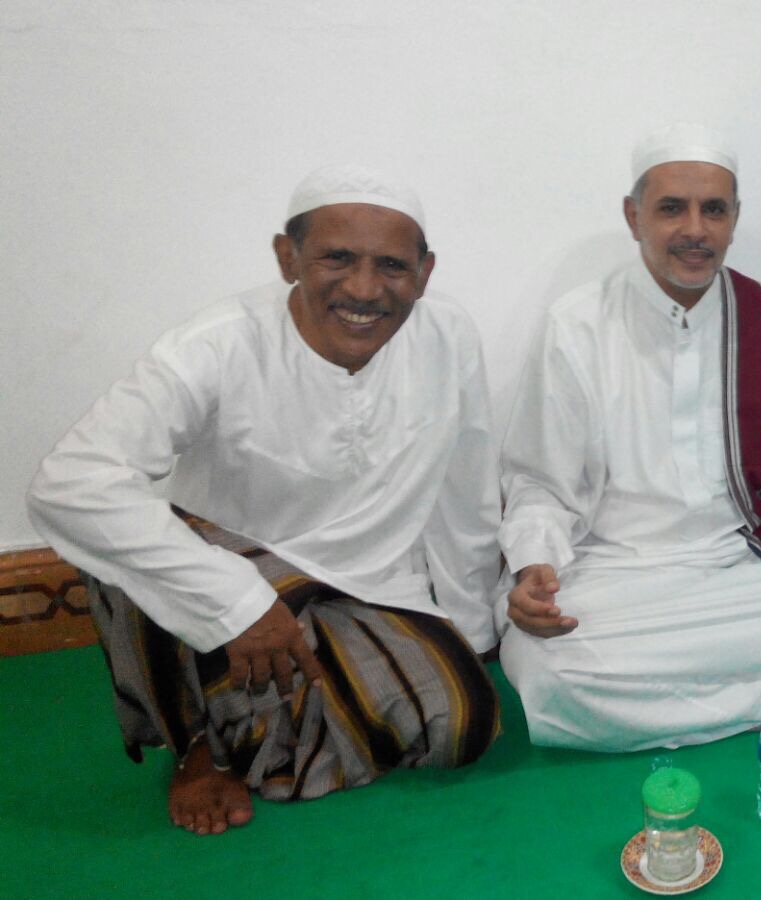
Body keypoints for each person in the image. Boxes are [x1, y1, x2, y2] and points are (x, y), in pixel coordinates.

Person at [26, 164, 502, 835]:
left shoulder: (448, 336)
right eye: (337, 258)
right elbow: (69, 481)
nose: (364, 289)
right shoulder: (218, 343)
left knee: (461, 721)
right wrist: (236, 601)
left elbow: (466, 484)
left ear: (424, 274)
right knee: (124, 546)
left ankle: (261, 719)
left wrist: (472, 632)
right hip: (226, 579)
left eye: (392, 266)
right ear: (288, 258)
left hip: (365, 588)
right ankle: (200, 741)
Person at [497, 123, 761, 752]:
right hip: (618, 575)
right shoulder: (577, 327)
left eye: (714, 210)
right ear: (634, 217)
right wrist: (536, 566)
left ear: (734, 219)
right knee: (546, 665)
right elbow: (541, 483)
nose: (695, 230)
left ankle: (711, 686)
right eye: (672, 208)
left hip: (749, 564)